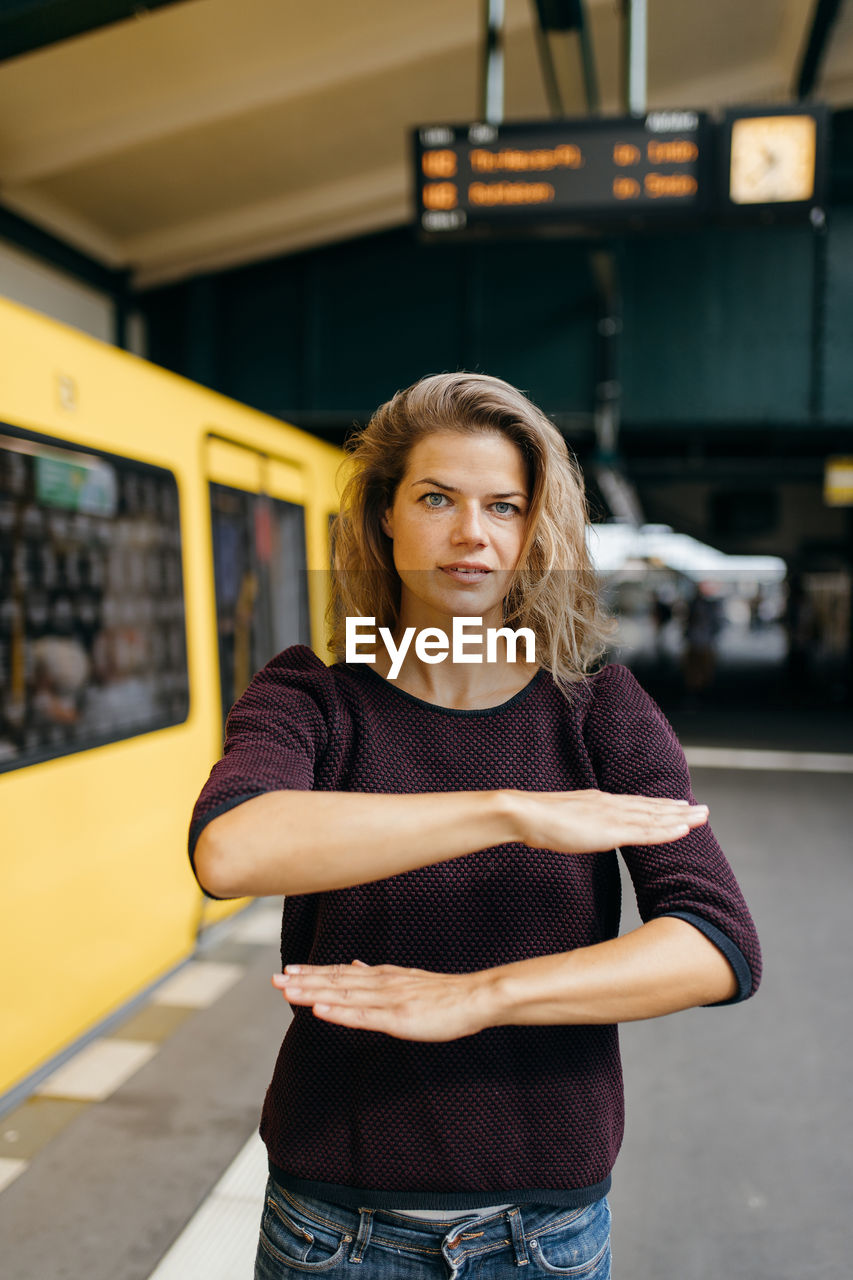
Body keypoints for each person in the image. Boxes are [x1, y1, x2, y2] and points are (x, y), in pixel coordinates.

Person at [189, 373, 761, 1279]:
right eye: (436, 499)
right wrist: (508, 812)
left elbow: (715, 945)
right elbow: (232, 848)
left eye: (503, 506)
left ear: (535, 529)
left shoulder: (596, 709)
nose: (471, 535)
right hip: (333, 1225)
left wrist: (478, 997)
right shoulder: (312, 696)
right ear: (384, 515)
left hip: (544, 1232)